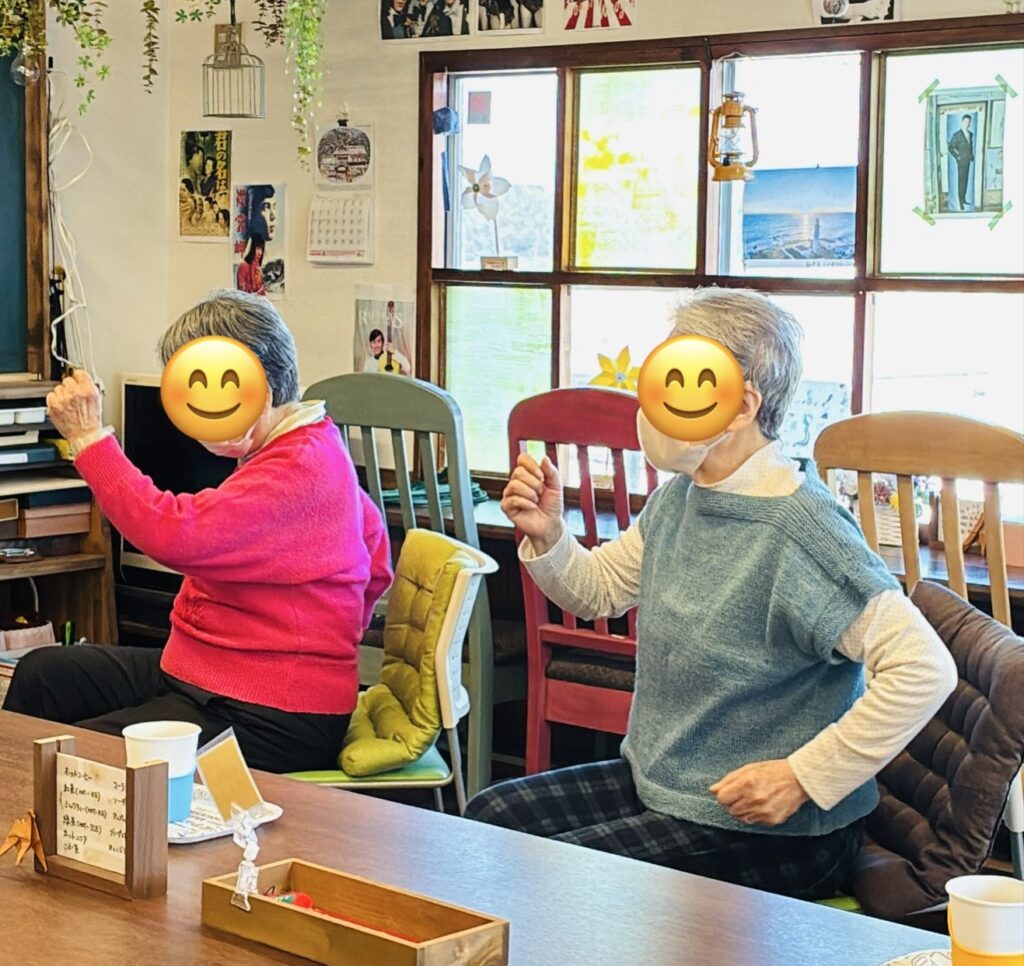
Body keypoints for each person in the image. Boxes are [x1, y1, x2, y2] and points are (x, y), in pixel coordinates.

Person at [466, 288, 957, 900]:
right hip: (667, 788)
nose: (654, 406)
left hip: (780, 836)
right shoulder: (682, 496)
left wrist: (802, 777)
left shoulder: (802, 531)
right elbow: (600, 590)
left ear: (742, 405)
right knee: (486, 823)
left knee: (560, 885)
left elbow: (924, 668)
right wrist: (549, 535)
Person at [2, 291, 393, 774]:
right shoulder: (305, 442)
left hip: (269, 715)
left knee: (72, 762)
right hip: (205, 678)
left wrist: (87, 439)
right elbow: (376, 555)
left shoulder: (298, 466)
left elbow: (173, 533)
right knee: (42, 674)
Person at [948, 113, 975, 211]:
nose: (967, 123)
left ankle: (964, 199)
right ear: (962, 122)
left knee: (966, 181)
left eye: (969, 122)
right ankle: (960, 203)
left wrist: (971, 156)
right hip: (961, 162)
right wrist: (957, 156)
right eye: (966, 121)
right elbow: (950, 148)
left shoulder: (970, 134)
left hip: (967, 161)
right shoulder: (957, 135)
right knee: (961, 182)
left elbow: (970, 146)